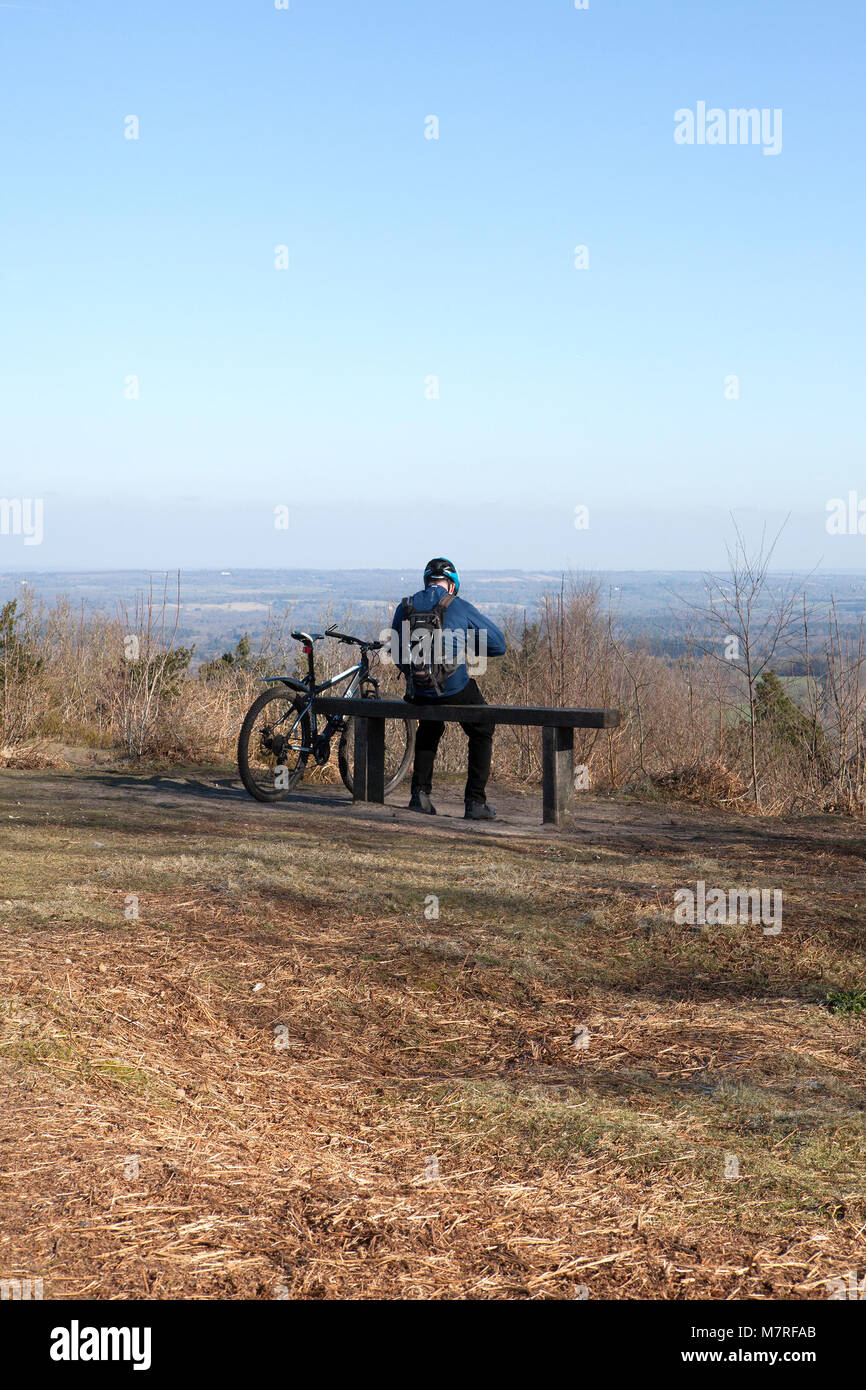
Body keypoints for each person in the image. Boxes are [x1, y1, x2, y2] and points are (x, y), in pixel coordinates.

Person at [390, 558, 506, 820]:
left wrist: (417, 675)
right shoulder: (458, 606)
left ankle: (419, 796)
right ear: (452, 585)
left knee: (430, 725)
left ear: (426, 580)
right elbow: (499, 645)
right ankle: (475, 802)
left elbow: (396, 651)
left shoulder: (405, 606)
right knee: (482, 727)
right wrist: (466, 642)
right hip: (454, 686)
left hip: (419, 690)